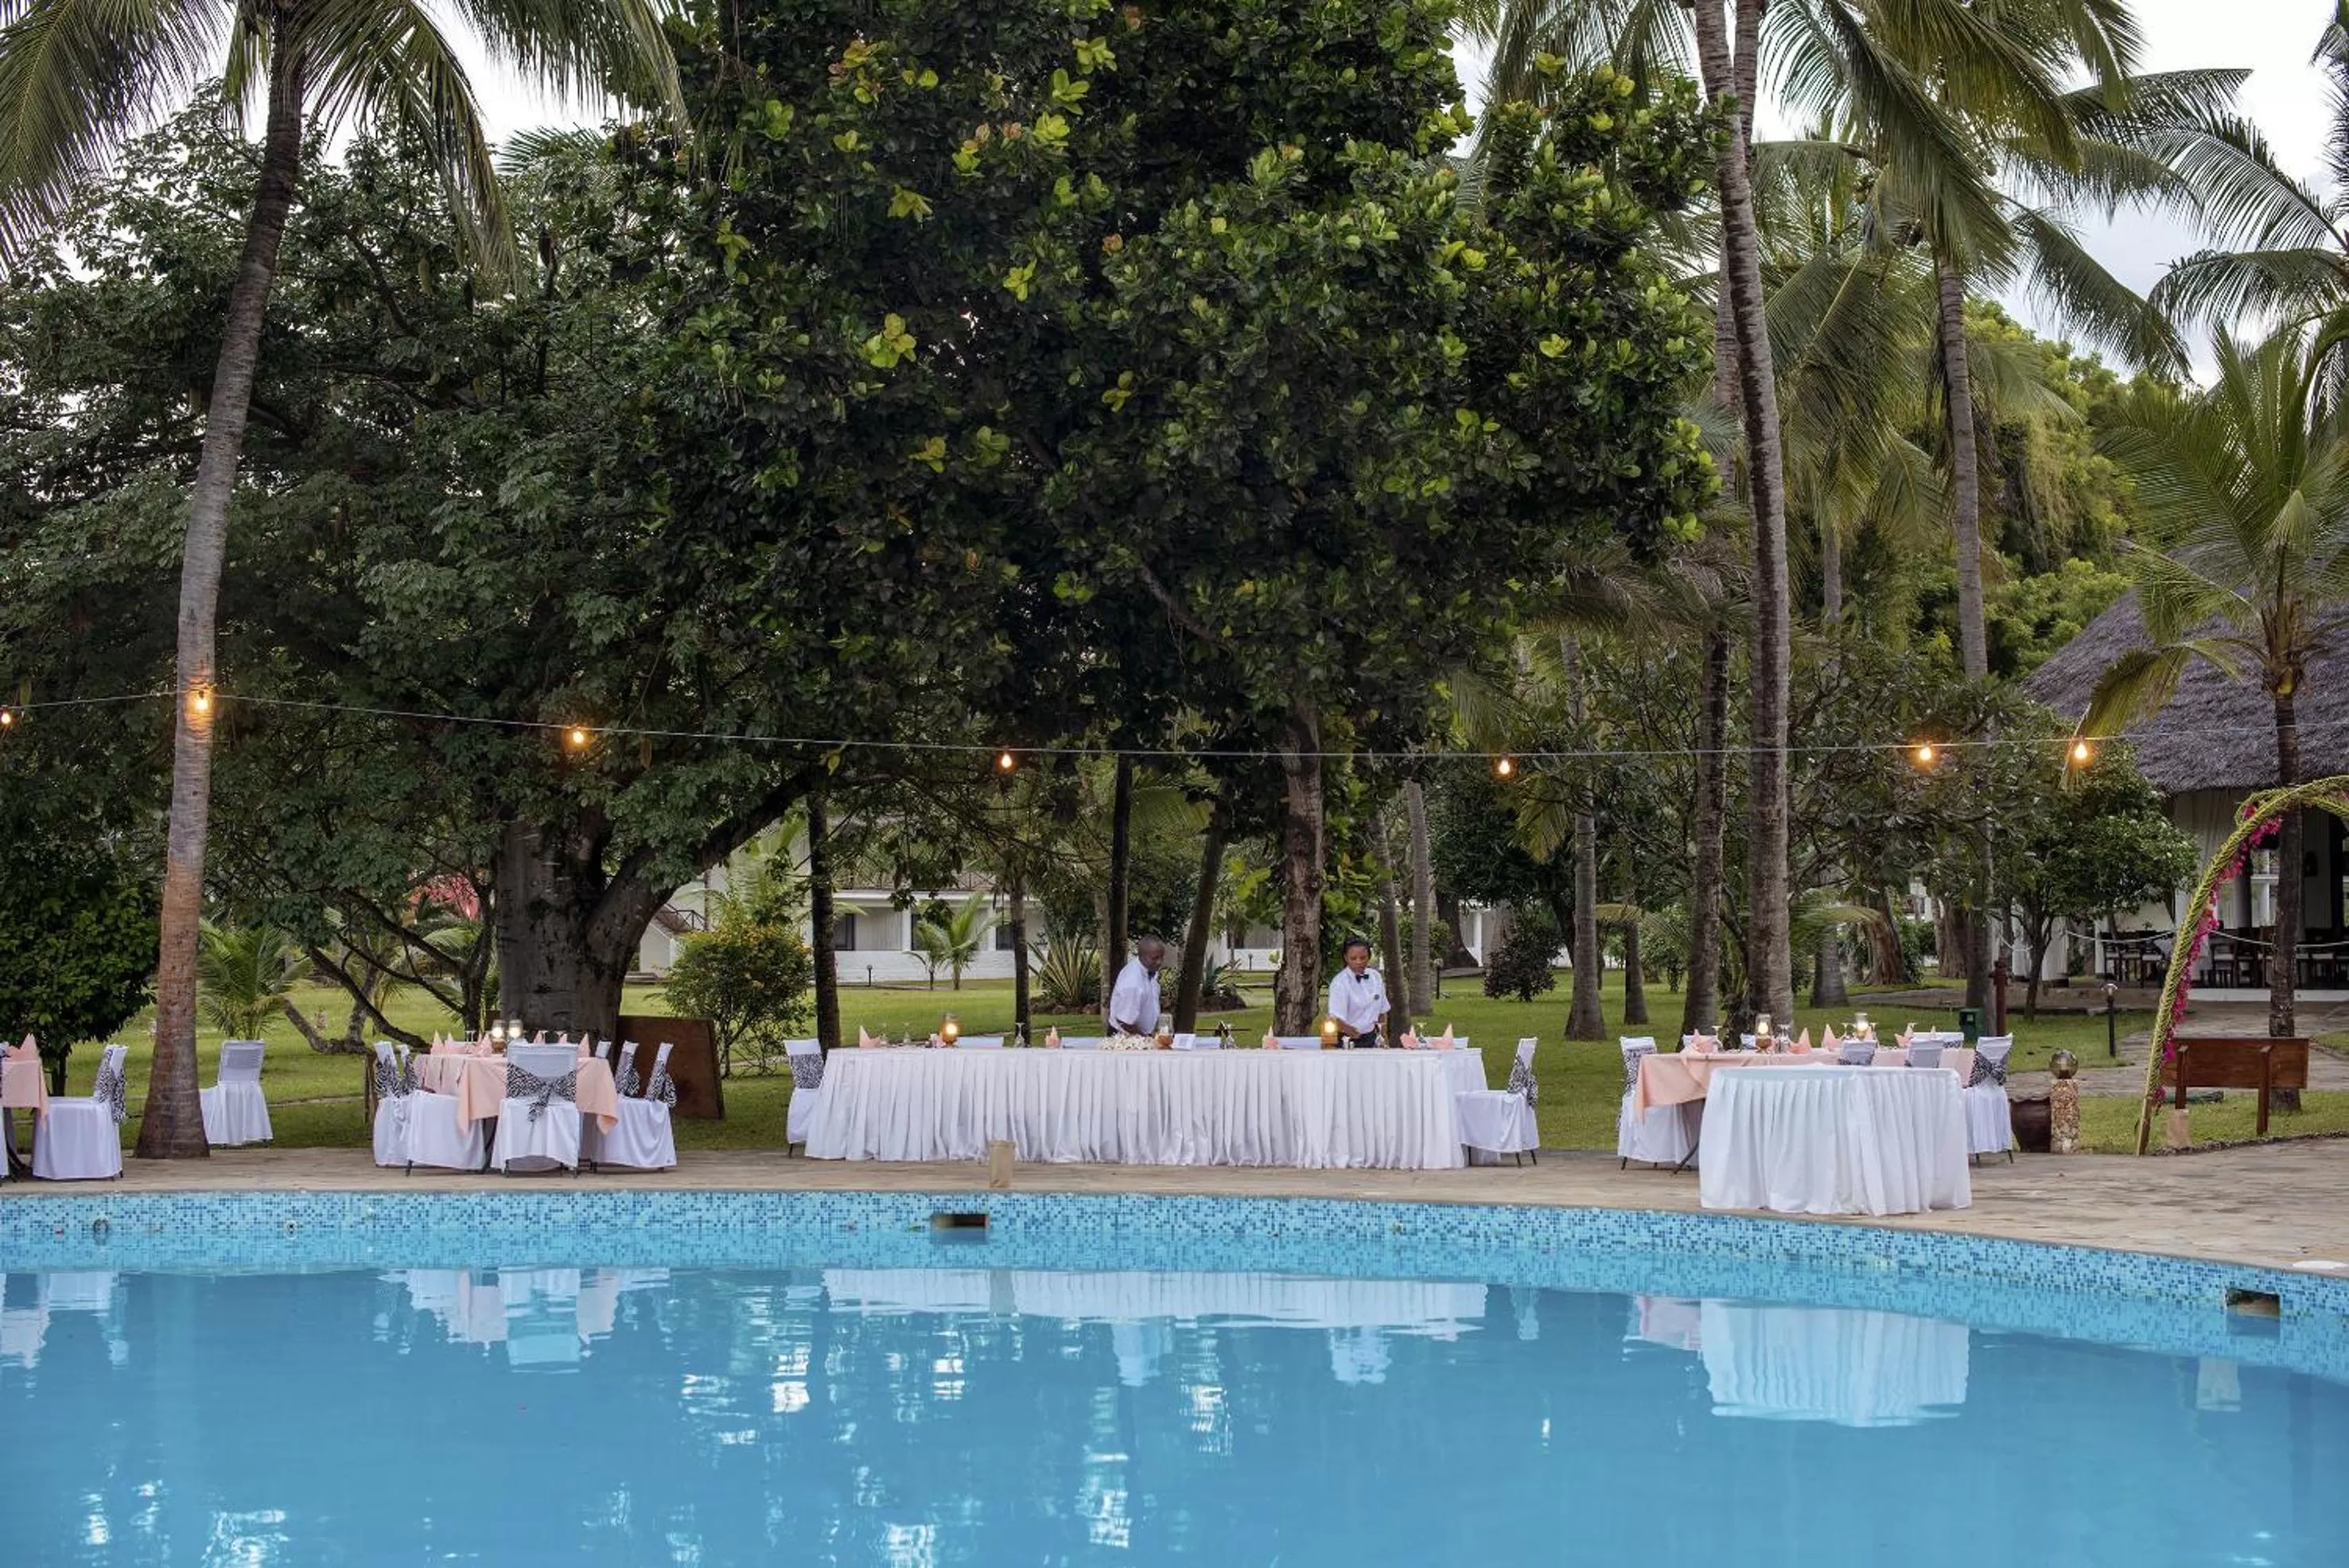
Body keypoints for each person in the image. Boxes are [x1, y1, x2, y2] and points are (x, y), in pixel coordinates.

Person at [1327, 937, 1389, 1048]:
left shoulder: (1376, 977)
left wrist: (1383, 1035)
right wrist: (1351, 1032)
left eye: (1363, 958)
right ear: (1346, 958)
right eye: (1353, 958)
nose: (1359, 962)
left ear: (1369, 957)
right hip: (1348, 1039)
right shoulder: (1340, 983)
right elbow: (1335, 1019)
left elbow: (1382, 1011)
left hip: (1372, 1038)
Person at [1106, 936, 1168, 1037]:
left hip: (1142, 1034)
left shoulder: (1150, 969)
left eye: (1162, 957)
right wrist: (1147, 1039)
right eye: (1155, 958)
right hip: (1126, 1037)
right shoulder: (1133, 982)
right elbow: (1125, 1022)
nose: (1159, 962)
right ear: (1141, 956)